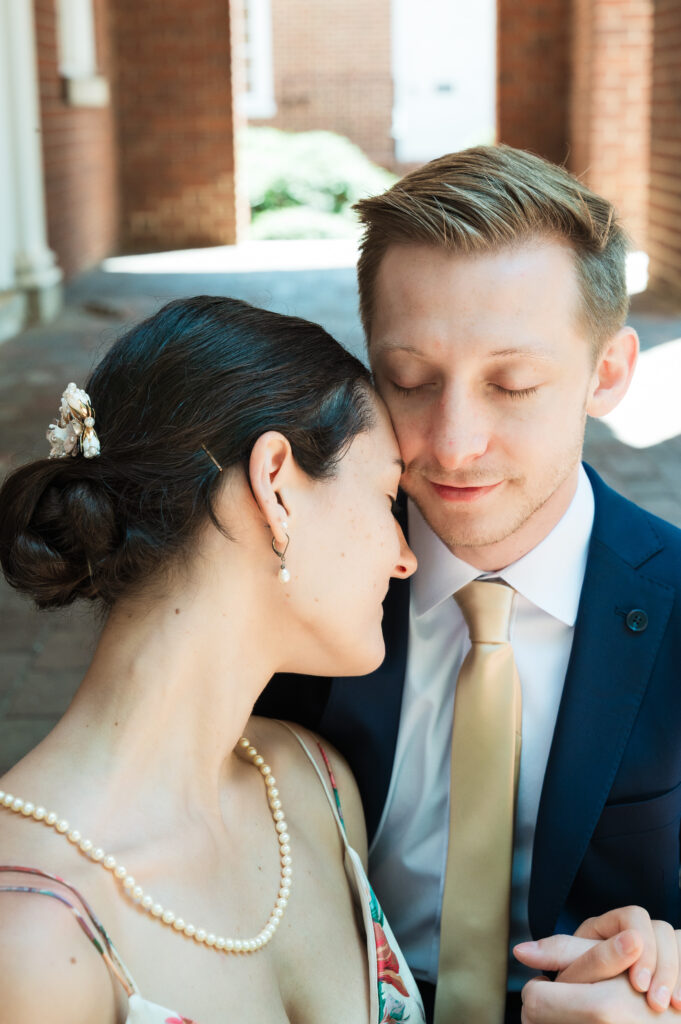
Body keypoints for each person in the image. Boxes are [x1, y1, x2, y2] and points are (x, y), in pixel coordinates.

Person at [257, 145, 681, 1023]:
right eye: (408, 380)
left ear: (606, 375)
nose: (451, 445)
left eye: (512, 384)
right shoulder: (287, 585)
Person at [0, 295, 427, 1023]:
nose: (406, 557)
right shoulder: (33, 937)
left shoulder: (314, 784)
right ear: (276, 485)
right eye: (388, 498)